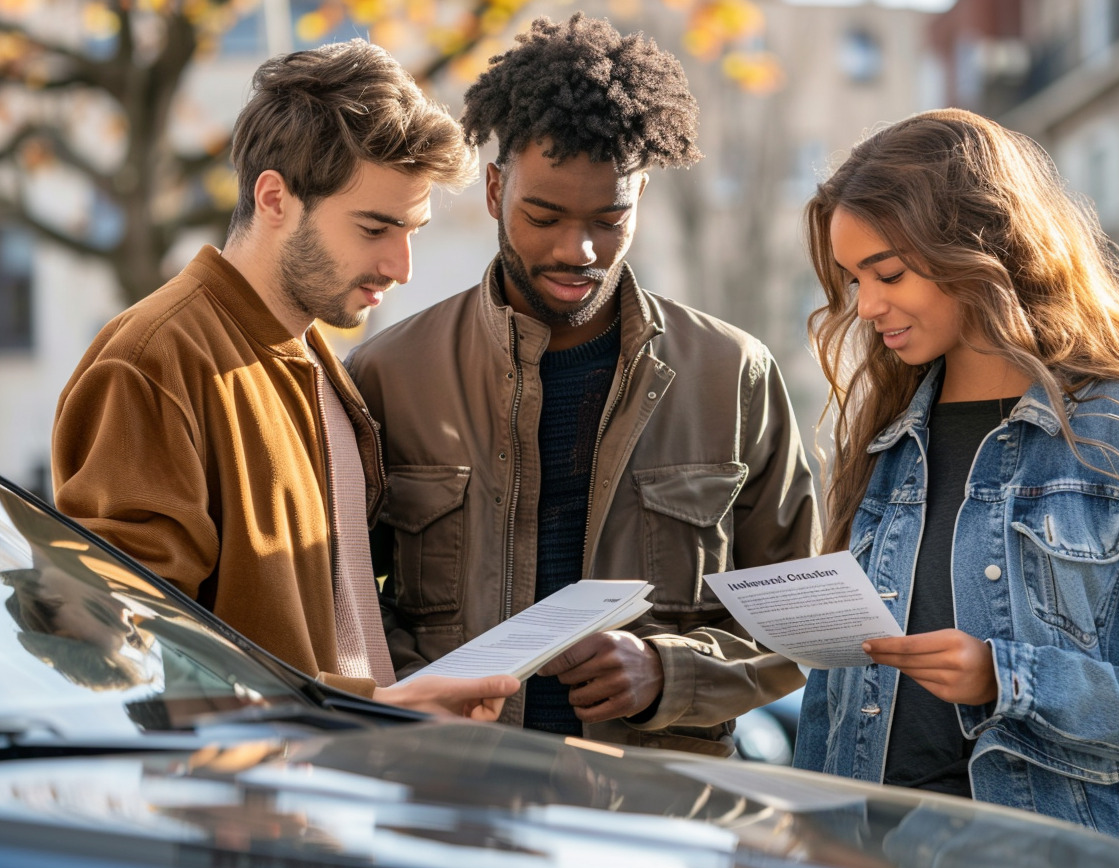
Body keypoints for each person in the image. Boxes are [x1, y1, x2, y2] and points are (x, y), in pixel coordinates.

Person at [346, 13, 820, 756]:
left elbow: (801, 626)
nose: (579, 250)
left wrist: (672, 673)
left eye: (610, 218)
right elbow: (341, 606)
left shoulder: (734, 376)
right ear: (496, 188)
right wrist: (416, 694)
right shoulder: (386, 375)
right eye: (544, 215)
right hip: (451, 803)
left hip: (661, 820)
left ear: (643, 201)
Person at [791, 107, 1119, 853]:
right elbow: (835, 701)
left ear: (977, 246)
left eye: (889, 273)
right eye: (853, 279)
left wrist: (1011, 678)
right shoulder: (884, 439)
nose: (866, 307)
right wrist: (800, 851)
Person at [51, 40, 517, 721]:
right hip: (234, 810)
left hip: (330, 789)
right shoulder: (155, 361)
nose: (401, 265)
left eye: (412, 230)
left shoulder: (317, 360)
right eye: (375, 227)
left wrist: (394, 706)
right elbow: (134, 652)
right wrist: (369, 706)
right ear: (275, 197)